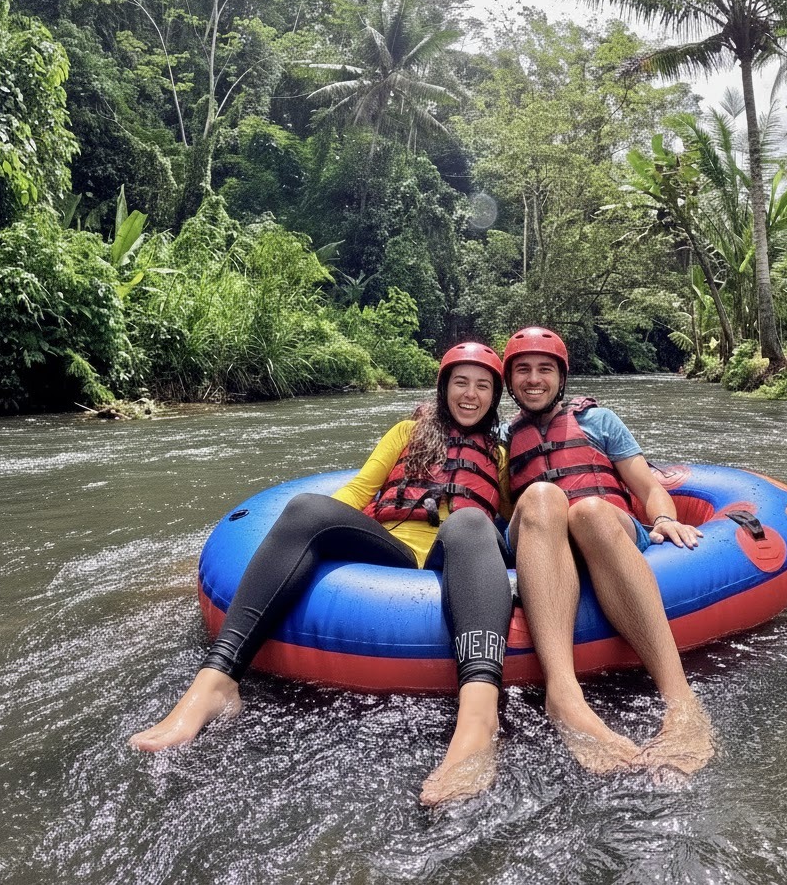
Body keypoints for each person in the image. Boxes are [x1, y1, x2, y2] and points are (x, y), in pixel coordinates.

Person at [129, 342, 514, 806]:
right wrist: (291, 535)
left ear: (494, 397)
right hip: (389, 551)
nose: (469, 395)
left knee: (472, 520)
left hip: (454, 556)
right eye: (460, 382)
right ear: (443, 386)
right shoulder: (405, 432)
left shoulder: (500, 455)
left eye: (482, 386)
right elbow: (356, 493)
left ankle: (478, 723)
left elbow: (513, 527)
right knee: (309, 506)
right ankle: (216, 681)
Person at [502, 326, 714, 777]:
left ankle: (681, 702)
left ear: (561, 377)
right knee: (542, 496)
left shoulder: (600, 421)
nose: (534, 379)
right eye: (523, 370)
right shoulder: (502, 437)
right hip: (541, 539)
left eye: (544, 369)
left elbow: (647, 486)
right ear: (509, 381)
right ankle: (564, 697)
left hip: (607, 529)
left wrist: (662, 519)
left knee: (591, 510)